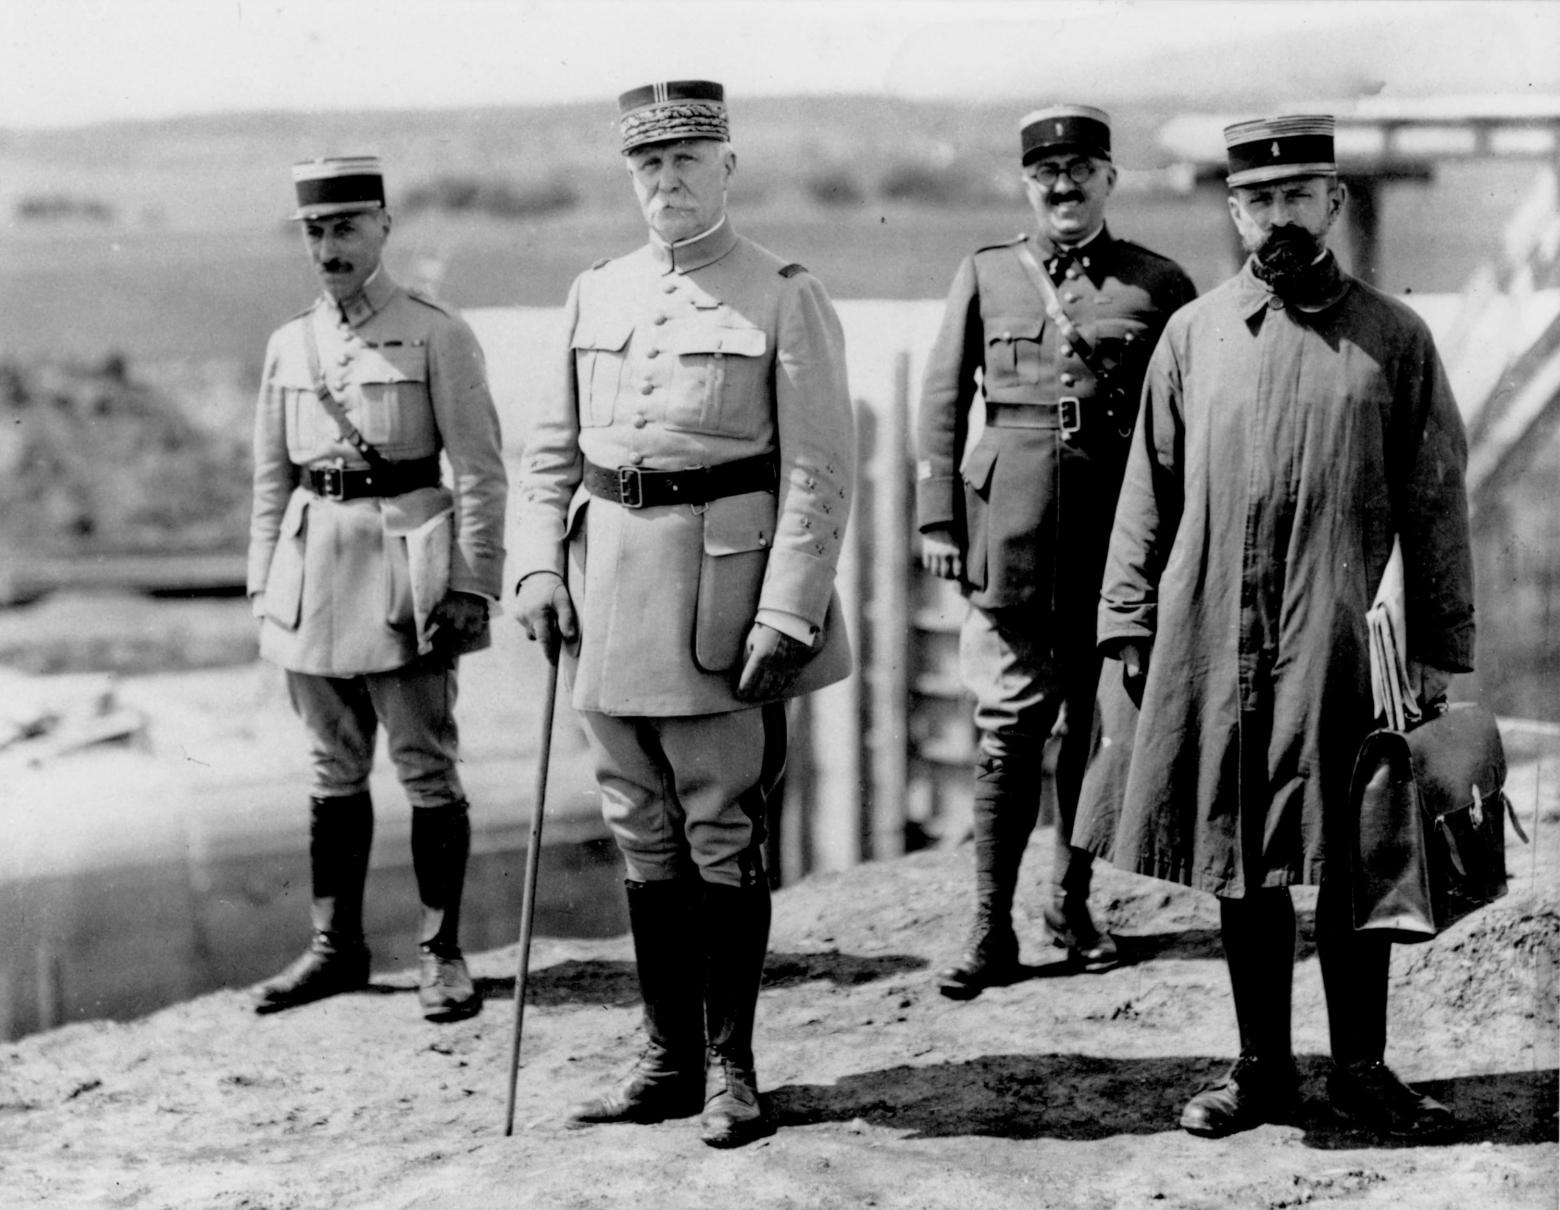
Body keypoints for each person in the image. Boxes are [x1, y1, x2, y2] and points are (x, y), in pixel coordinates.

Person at [1095, 115, 1474, 1138]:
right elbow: (1148, 489)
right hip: (1215, 633)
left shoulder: (1395, 338)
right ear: (1234, 213)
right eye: (1259, 201)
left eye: (1298, 196)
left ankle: (1361, 1069)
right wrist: (1126, 618)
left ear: (1334, 203)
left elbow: (1437, 502)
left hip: (1341, 639)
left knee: (1358, 848)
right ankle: (1261, 1068)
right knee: (1237, 846)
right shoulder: (1193, 335)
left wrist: (1439, 649)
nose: (1279, 217)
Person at [511, 80, 854, 1148]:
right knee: (636, 822)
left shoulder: (783, 295)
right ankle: (665, 1060)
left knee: (720, 824)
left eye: (687, 162)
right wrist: (536, 570)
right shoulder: (594, 292)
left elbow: (820, 471)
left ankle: (730, 1068)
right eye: (649, 165)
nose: (667, 182)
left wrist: (787, 613)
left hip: (721, 599)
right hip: (606, 592)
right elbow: (549, 456)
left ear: (727, 168)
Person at [913, 105, 1196, 999]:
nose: (1064, 188)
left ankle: (1068, 906)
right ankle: (988, 926)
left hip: (1117, 536)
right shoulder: (987, 272)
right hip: (1011, 532)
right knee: (1009, 725)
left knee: (1094, 724)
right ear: (1027, 185)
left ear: (1110, 179)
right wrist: (937, 519)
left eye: (1081, 172)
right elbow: (942, 400)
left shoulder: (1158, 283)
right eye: (1047, 175)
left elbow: (1187, 420)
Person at [246, 155, 508, 1023]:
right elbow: (271, 480)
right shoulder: (289, 345)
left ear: (384, 228)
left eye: (347, 228)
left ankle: (442, 953)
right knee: (331, 765)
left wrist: (471, 582)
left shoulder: (436, 332)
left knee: (426, 764)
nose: (330, 248)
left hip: (405, 574)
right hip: (310, 572)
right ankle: (336, 949)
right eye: (316, 232)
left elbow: (480, 471)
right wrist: (263, 589)